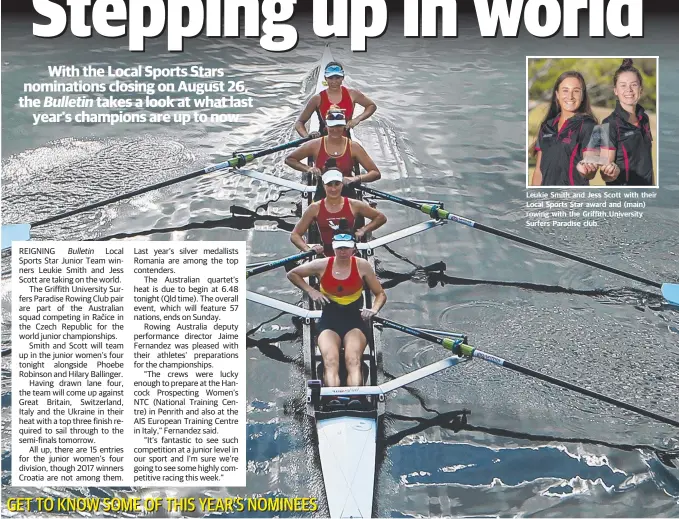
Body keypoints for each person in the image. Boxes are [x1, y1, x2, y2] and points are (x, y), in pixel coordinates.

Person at [287, 229, 386, 389]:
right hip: (328, 323)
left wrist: (374, 309)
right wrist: (311, 291)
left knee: (353, 360)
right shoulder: (321, 265)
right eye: (339, 248)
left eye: (346, 248)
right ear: (333, 248)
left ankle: (355, 398)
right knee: (331, 361)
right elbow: (292, 274)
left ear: (353, 249)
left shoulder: (363, 266)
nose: (343, 251)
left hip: (354, 322)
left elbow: (380, 294)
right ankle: (333, 397)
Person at [290, 163, 387, 257]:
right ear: (323, 185)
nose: (333, 189)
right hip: (326, 255)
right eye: (329, 185)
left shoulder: (354, 205)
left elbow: (381, 218)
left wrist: (363, 230)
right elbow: (295, 235)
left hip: (350, 254)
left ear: (342, 184)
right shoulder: (314, 208)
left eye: (337, 184)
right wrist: (308, 249)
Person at [286, 106, 381, 200]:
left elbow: (375, 173)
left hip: (346, 190)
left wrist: (356, 178)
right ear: (326, 126)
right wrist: (308, 169)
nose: (335, 130)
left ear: (344, 126)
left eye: (339, 126)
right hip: (323, 191)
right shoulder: (315, 145)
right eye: (332, 126)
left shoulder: (354, 147)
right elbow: (289, 159)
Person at [530, 71, 599, 187]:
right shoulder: (547, 126)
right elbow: (538, 171)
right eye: (565, 90)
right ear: (557, 94)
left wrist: (589, 170)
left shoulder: (588, 125)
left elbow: (590, 172)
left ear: (582, 96)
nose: (570, 96)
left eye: (576, 91)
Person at [600, 59, 654, 186]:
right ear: (616, 91)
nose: (629, 89)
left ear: (640, 89)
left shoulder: (644, 119)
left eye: (634, 85)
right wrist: (609, 173)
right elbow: (605, 173)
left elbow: (648, 165)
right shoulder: (608, 124)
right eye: (623, 85)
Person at [295, 61, 377, 139]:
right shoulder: (317, 99)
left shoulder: (353, 94)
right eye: (330, 78)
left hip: (346, 141)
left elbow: (371, 106)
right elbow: (299, 123)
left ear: (343, 77)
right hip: (323, 141)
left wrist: (357, 119)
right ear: (325, 78)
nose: (334, 81)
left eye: (338, 77)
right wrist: (307, 136)